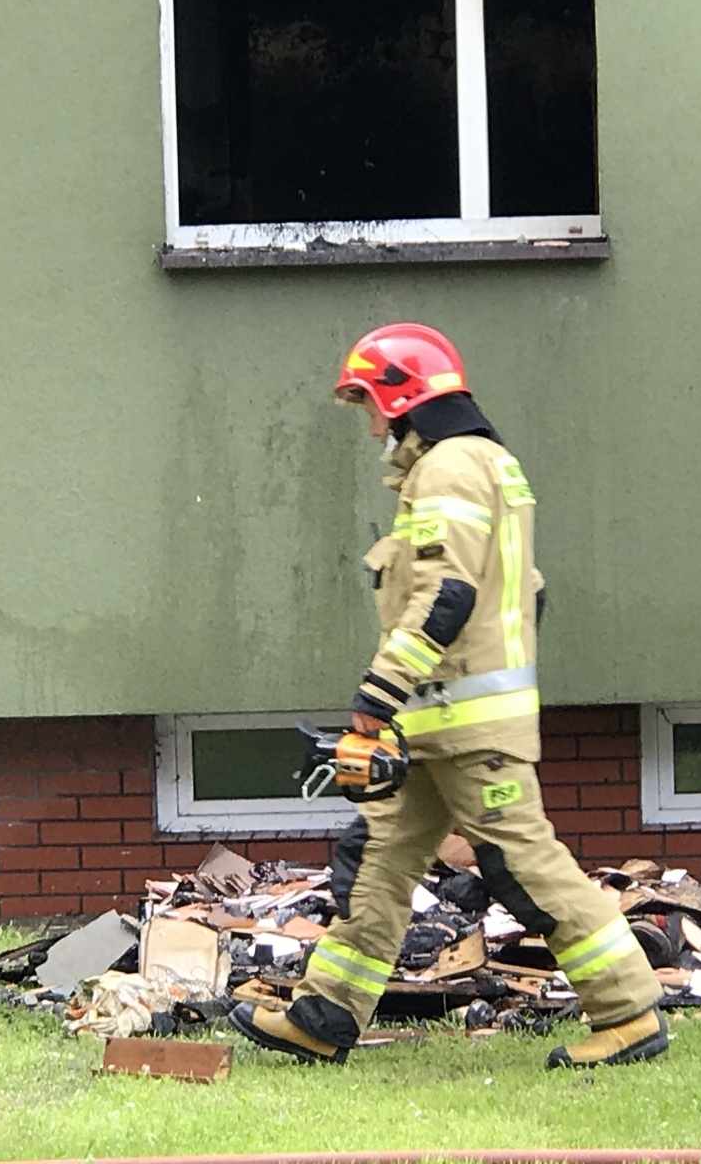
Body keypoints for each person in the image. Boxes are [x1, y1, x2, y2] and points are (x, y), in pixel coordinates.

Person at [229, 323, 666, 1070]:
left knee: (523, 867)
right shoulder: (475, 464)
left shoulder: (450, 469)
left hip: (466, 727)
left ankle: (629, 1015)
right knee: (376, 861)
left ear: (404, 398)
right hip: (440, 722)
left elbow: (445, 595)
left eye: (370, 403)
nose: (369, 423)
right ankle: (325, 1016)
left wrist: (375, 699)